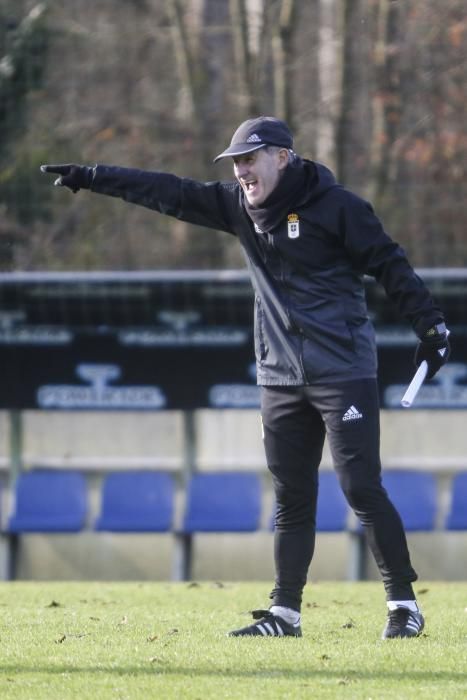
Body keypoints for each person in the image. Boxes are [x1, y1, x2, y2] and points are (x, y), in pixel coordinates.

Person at [41, 116, 450, 640]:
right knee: (290, 497)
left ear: (283, 157)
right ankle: (285, 614)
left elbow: (390, 263)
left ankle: (403, 606)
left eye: (250, 159)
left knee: (361, 489)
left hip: (342, 370)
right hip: (279, 377)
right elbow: (170, 192)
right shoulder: (238, 206)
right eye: (235, 163)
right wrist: (94, 175)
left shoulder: (339, 207)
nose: (242, 172)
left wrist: (430, 323)